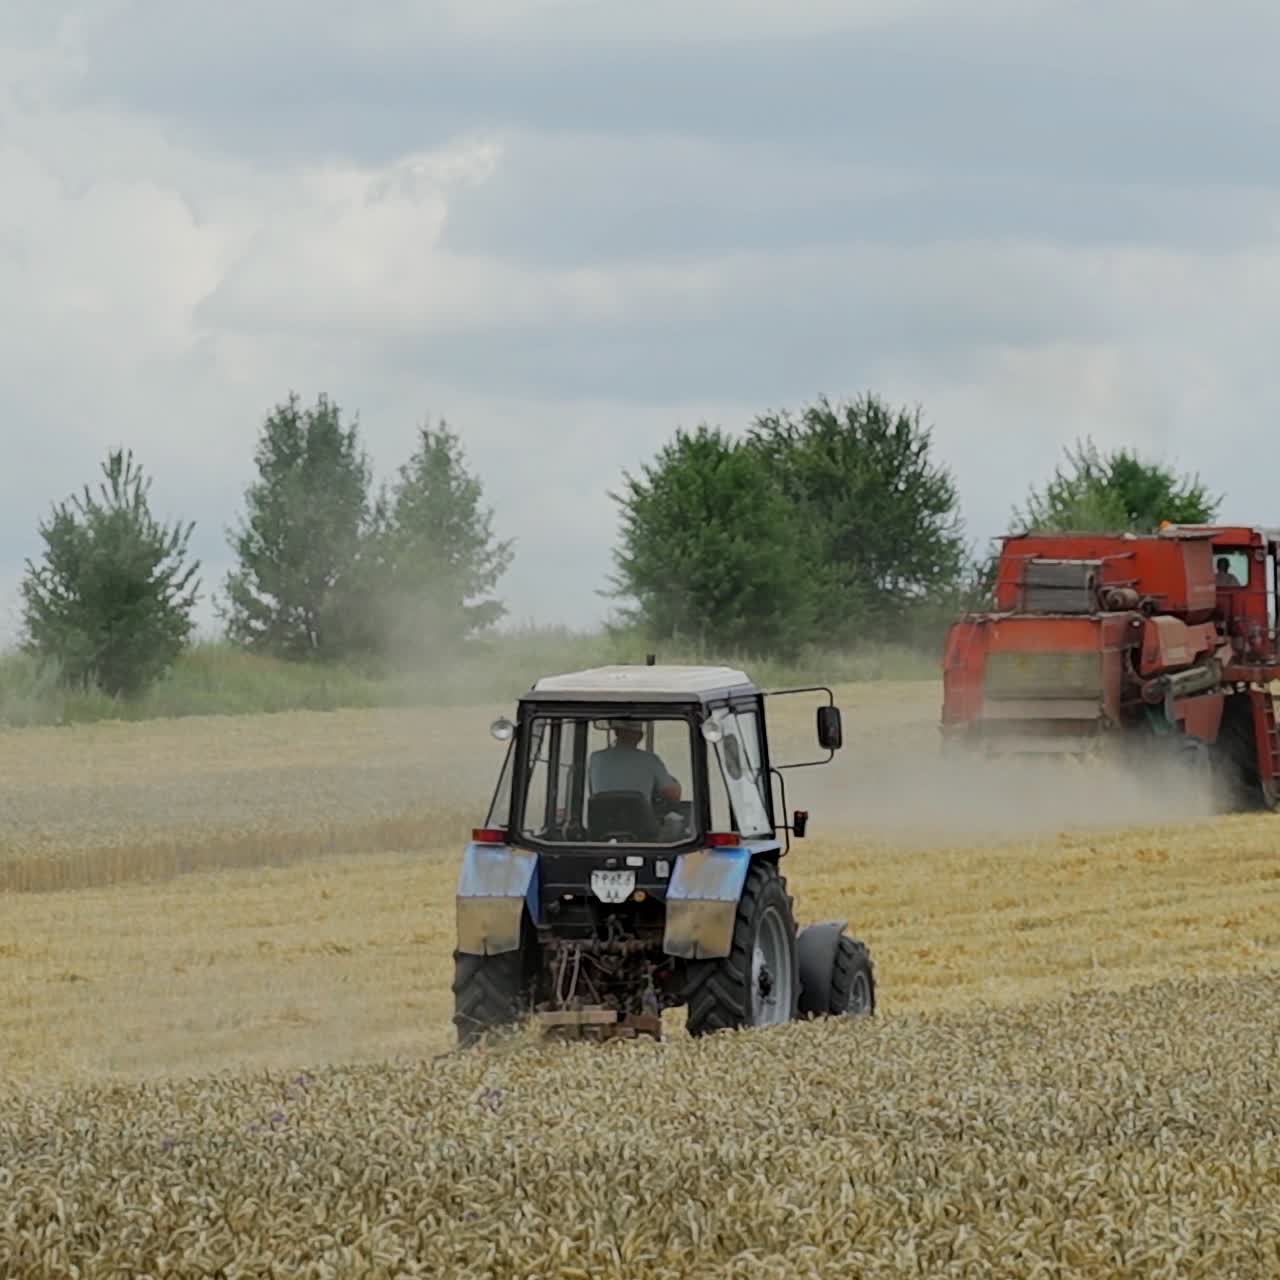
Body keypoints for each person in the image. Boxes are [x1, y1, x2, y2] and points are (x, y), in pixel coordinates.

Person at [589, 720, 682, 806]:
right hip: (639, 819)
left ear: (616, 732)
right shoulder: (650, 760)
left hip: (601, 818)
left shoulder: (595, 758)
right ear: (640, 736)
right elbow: (674, 796)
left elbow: (592, 791)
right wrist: (674, 782)